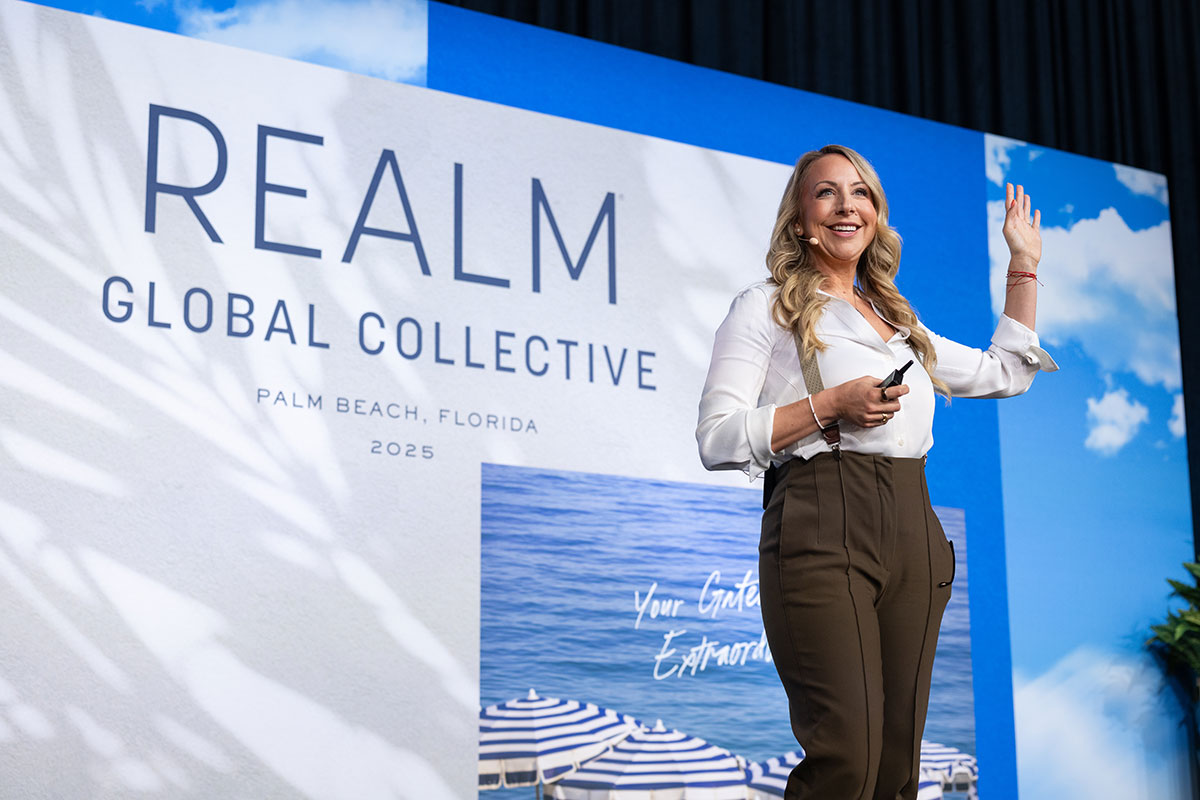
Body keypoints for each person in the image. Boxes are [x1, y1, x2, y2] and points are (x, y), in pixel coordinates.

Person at [695, 144, 1056, 800]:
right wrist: (830, 405)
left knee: (895, 770)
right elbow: (718, 438)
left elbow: (1005, 372)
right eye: (826, 192)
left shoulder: (898, 321)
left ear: (877, 215)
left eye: (860, 192)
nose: (846, 206)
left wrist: (1022, 265)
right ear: (800, 219)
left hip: (914, 530)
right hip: (822, 525)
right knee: (848, 760)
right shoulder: (767, 307)